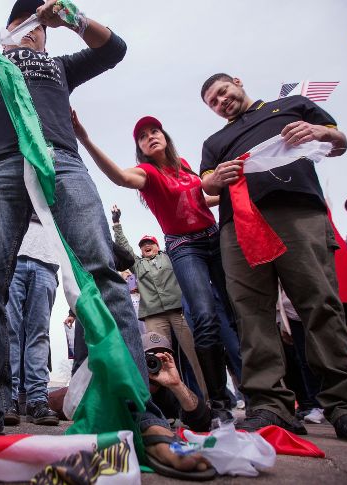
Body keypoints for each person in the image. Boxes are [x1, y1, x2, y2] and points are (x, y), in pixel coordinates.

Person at [0, 0, 214, 477]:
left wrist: (71, 18)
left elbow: (112, 48)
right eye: (25, 22)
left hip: (64, 164)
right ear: (11, 27)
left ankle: (141, 411)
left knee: (105, 274)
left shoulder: (58, 66)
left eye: (40, 25)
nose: (32, 31)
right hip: (1, 168)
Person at [198, 73, 347, 445]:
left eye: (222, 92)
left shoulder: (289, 107)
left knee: (319, 303)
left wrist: (320, 133)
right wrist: (217, 178)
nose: (221, 101)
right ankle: (269, 406)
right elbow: (205, 184)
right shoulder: (215, 141)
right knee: (252, 314)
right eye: (213, 102)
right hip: (238, 226)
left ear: (237, 83)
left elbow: (339, 141)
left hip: (297, 211)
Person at [72, 110, 236, 423]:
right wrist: (84, 137)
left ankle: (259, 396)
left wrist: (233, 188)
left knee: (234, 313)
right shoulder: (147, 173)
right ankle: (218, 401)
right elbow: (120, 177)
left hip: (214, 238)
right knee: (203, 315)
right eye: (143, 136)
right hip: (184, 245)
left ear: (165, 136)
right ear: (141, 149)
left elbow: (203, 199)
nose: (151, 136)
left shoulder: (185, 166)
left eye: (155, 130)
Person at [110, 205, 208, 401]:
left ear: (157, 245)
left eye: (150, 243)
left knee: (195, 354)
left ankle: (208, 400)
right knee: (160, 359)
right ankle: (177, 404)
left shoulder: (170, 257)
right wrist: (116, 223)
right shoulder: (138, 265)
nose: (146, 245)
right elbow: (124, 247)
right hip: (154, 314)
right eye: (143, 244)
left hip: (179, 310)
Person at [5, 214, 60, 426]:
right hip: (13, 259)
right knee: (10, 330)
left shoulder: (53, 188)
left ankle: (37, 400)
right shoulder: (15, 183)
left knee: (39, 333)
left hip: (47, 263)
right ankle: (8, 398)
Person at [143, 333, 212, 432]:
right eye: (150, 356)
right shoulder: (131, 388)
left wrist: (177, 384)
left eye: (163, 357)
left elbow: (204, 423)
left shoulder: (171, 389)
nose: (155, 361)